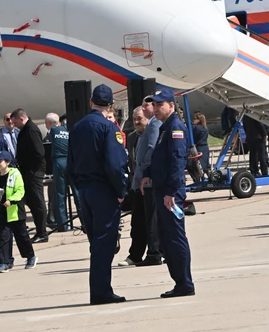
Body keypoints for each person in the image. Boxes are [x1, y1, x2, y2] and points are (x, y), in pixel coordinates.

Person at [67, 84, 129, 304]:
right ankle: (101, 291)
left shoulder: (77, 127)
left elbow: (70, 164)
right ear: (110, 104)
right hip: (103, 190)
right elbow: (115, 164)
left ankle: (99, 289)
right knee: (105, 241)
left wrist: (80, 187)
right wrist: (121, 190)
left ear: (91, 102)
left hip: (85, 190)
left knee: (95, 241)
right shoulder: (108, 128)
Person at [143, 87, 196, 298]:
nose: (155, 109)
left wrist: (172, 192)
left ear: (171, 106)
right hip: (163, 189)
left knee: (174, 237)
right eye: (154, 105)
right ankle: (179, 282)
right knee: (166, 238)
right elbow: (160, 157)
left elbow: (176, 161)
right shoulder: (165, 127)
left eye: (159, 105)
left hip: (170, 193)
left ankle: (184, 283)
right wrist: (148, 173)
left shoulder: (175, 128)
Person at [125, 99, 163, 267]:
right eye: (134, 119)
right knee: (138, 220)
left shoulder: (154, 126)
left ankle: (155, 252)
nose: (136, 122)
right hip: (137, 181)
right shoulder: (133, 137)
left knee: (151, 219)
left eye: (139, 118)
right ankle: (137, 254)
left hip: (147, 181)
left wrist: (146, 174)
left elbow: (151, 151)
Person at [0, 150, 37, 272]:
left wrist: (11, 200)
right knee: (3, 237)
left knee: (21, 236)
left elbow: (20, 190)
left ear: (7, 162)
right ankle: (4, 262)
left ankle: (30, 256)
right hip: (1, 212)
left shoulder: (15, 174)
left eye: (0, 161)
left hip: (15, 211)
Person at [10, 108, 49, 242]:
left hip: (34, 171)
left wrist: (32, 169)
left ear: (21, 119)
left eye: (15, 123)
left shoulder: (31, 130)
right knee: (31, 200)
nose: (14, 125)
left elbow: (39, 152)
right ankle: (40, 230)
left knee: (37, 200)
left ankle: (42, 232)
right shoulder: (25, 130)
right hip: (28, 171)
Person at [187, 111, 210, 183]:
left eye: (195, 118)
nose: (193, 120)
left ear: (199, 120)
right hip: (205, 148)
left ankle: (197, 180)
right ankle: (209, 178)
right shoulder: (205, 128)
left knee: (194, 166)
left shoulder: (197, 129)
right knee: (205, 166)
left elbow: (193, 137)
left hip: (199, 148)